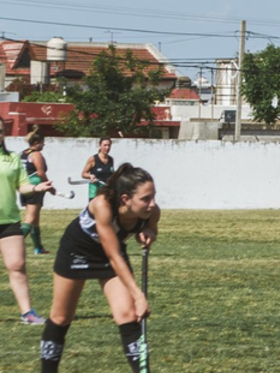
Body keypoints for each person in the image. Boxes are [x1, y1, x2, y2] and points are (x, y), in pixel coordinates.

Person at [41, 163, 160, 373]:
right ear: (125, 199)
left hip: (111, 252)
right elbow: (114, 256)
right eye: (145, 199)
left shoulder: (152, 211)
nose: (152, 204)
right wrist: (139, 296)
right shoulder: (102, 205)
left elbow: (150, 227)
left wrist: (150, 231)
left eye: (153, 197)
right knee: (61, 317)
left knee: (128, 315)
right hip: (77, 250)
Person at [0, 119, 53, 324]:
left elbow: (21, 185)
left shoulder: (12, 158)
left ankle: (28, 313)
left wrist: (36, 188)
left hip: (9, 220)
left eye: (1, 131)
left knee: (17, 265)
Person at [19, 125, 57, 254]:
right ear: (36, 143)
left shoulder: (23, 153)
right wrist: (49, 186)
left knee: (35, 219)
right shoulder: (36, 154)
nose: (43, 145)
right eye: (42, 143)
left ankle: (38, 247)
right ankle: (11, 244)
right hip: (35, 188)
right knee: (30, 219)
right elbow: (40, 173)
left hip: (24, 187)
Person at [81, 137, 114, 201]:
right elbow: (83, 174)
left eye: (109, 145)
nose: (107, 148)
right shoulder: (93, 159)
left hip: (107, 192)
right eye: (105, 145)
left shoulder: (111, 159)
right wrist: (90, 176)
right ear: (100, 145)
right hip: (95, 193)